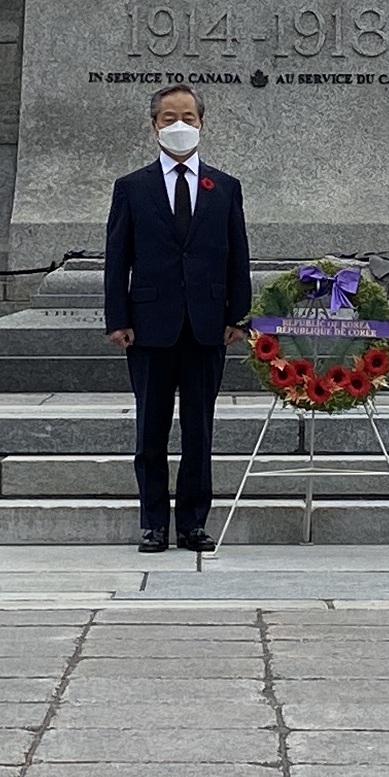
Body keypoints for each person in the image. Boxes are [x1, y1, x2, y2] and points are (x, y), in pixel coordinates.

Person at [104, 84, 254, 553]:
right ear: (154, 125)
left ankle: (192, 522)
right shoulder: (132, 187)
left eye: (188, 117)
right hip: (150, 325)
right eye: (169, 118)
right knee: (150, 430)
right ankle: (153, 523)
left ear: (202, 123)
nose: (180, 125)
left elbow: (238, 256)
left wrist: (240, 316)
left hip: (207, 326)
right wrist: (117, 318)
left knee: (199, 431)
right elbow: (116, 258)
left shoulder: (224, 187)